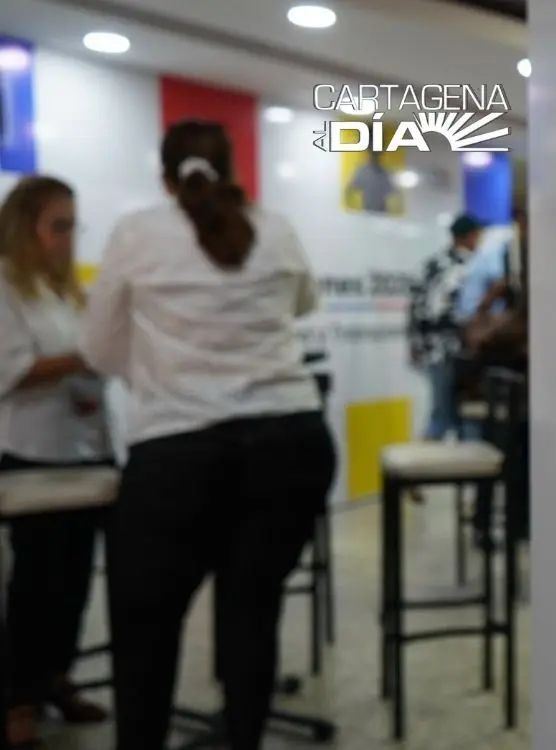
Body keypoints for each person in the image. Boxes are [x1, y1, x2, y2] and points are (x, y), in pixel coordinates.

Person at [79, 119, 335, 750]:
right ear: (233, 170)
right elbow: (303, 304)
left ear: (166, 179)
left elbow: (99, 348)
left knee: (146, 629)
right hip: (290, 444)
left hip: (178, 453)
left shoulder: (136, 232)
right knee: (253, 613)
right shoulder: (276, 228)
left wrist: (161, 371)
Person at [0, 176, 112, 746]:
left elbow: (83, 359)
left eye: (73, 225)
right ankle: (17, 699)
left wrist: (91, 370)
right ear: (25, 228)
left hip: (86, 451)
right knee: (35, 586)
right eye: (58, 227)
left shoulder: (66, 289)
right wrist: (84, 359)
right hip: (32, 455)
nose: (69, 239)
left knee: (73, 582)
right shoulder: (4, 287)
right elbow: (12, 371)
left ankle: (56, 679)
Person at [407, 213, 483, 447]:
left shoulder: (430, 264)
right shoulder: (470, 266)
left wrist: (414, 345)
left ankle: (424, 463)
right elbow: (467, 311)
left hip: (432, 351)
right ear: (471, 236)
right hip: (460, 350)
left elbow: (415, 309)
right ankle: (459, 462)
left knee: (441, 412)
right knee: (465, 417)